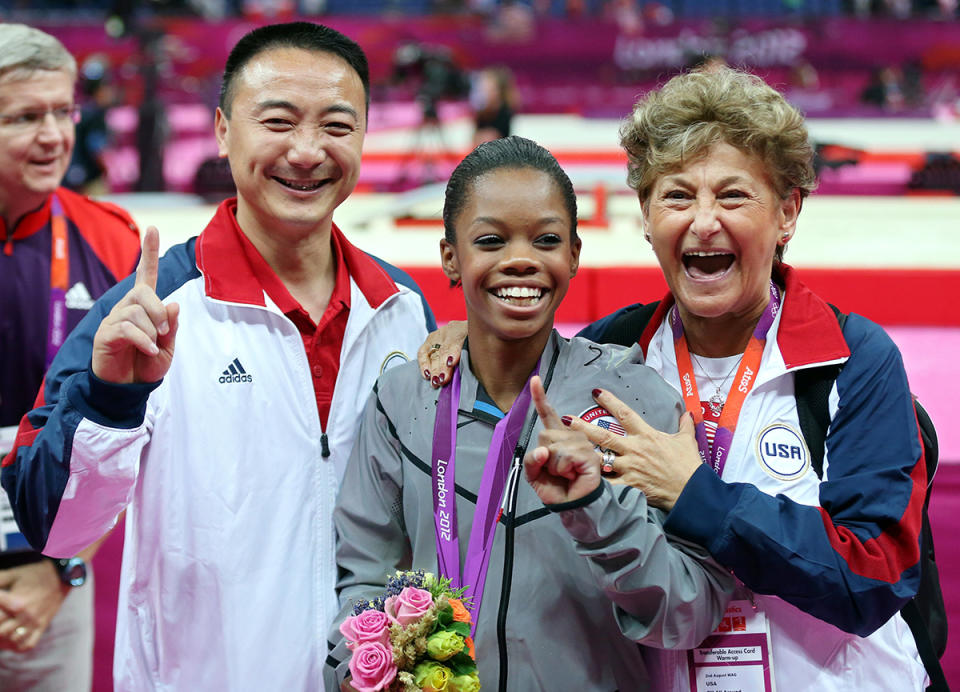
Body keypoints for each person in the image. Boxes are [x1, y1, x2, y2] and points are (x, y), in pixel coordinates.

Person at [420, 67, 929, 689]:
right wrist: (463, 335)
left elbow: (872, 579)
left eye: (734, 196)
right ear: (645, 213)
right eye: (678, 196)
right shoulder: (608, 352)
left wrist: (694, 494)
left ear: (788, 212)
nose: (704, 221)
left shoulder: (850, 359)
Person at [3, 21, 435, 691]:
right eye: (278, 121)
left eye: (337, 127)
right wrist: (111, 397)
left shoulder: (401, 308)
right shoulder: (149, 311)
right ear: (223, 131)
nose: (307, 150)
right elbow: (57, 528)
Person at [326, 136, 733, 691]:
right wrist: (358, 669)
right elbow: (364, 580)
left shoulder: (632, 401)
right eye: (491, 240)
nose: (520, 258)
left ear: (573, 255)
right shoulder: (403, 400)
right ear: (450, 255)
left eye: (545, 239)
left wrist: (597, 509)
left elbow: (691, 612)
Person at [0, 24, 141, 692]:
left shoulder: (112, 242)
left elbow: (137, 429)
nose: (55, 136)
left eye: (63, 111)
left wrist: (61, 570)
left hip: (48, 583)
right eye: (26, 116)